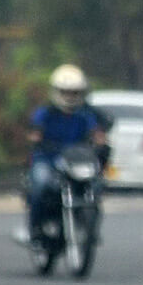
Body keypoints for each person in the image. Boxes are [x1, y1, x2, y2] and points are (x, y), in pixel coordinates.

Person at [19, 63, 106, 244]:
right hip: (47, 160)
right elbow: (34, 131)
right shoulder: (45, 113)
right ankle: (34, 228)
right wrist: (36, 138)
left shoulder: (85, 115)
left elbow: (96, 134)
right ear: (56, 91)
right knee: (41, 186)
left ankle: (90, 229)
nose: (70, 97)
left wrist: (100, 143)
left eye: (74, 93)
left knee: (95, 188)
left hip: (75, 163)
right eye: (66, 92)